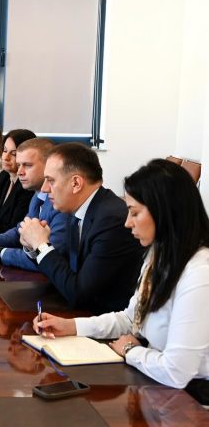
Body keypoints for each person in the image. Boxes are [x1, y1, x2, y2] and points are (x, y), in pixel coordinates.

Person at [34, 159, 209, 404]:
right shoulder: (158, 255)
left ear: (165, 212)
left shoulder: (199, 273)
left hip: (192, 400)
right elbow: (130, 319)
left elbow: (176, 372)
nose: (127, 222)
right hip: (157, 386)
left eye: (134, 212)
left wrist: (130, 350)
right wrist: (71, 326)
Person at [19, 142, 143, 314]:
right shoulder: (78, 208)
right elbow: (61, 268)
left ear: (76, 183)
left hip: (105, 318)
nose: (45, 189)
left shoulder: (111, 220)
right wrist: (34, 246)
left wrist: (41, 245)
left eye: (51, 181)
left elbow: (79, 293)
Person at [0, 138, 69, 271]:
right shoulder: (38, 196)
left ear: (48, 165)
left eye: (27, 165)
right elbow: (21, 230)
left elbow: (48, 259)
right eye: (19, 165)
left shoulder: (61, 203)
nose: (19, 172)